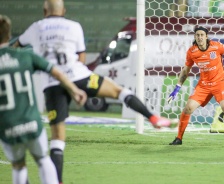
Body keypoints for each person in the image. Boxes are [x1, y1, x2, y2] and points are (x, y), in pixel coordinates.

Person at [13, 0, 172, 183]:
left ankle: (58, 180)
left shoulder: (36, 27)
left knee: (57, 139)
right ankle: (152, 117)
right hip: (79, 76)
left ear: (44, 11)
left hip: (52, 84)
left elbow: (16, 45)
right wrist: (77, 87)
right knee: (119, 91)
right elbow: (81, 57)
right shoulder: (74, 26)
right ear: (63, 10)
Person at [0, 14, 87, 184]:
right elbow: (56, 72)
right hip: (32, 122)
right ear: (9, 36)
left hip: (8, 126)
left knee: (18, 166)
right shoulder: (25, 56)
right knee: (42, 159)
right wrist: (74, 89)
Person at [167, 26, 224, 147]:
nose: (200, 37)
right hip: (204, 85)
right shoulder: (192, 52)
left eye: (202, 35)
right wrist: (177, 87)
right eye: (197, 35)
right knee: (188, 108)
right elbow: (186, 71)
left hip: (220, 82)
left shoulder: (216, 46)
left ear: (206, 37)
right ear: (195, 37)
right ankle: (178, 138)